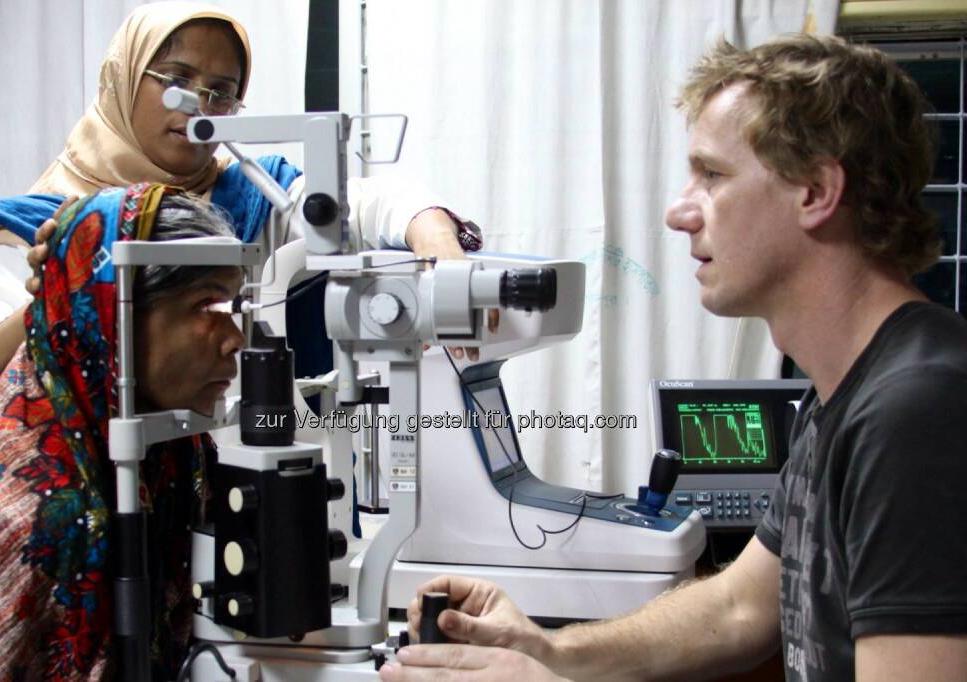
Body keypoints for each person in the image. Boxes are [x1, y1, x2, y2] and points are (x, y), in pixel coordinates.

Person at [382, 34, 967, 682]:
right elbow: (738, 607)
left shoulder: (917, 412)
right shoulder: (837, 394)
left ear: (816, 192)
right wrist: (550, 652)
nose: (677, 212)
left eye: (712, 176)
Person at [0, 1, 479, 413]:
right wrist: (51, 301)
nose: (201, 106)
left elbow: (362, 204)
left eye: (222, 92)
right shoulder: (40, 225)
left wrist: (435, 240)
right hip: (105, 505)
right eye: (177, 81)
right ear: (122, 80)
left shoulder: (248, 195)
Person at [0, 184, 249, 679]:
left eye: (231, 308)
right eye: (206, 306)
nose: (235, 339)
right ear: (114, 314)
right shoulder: (25, 519)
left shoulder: (175, 456)